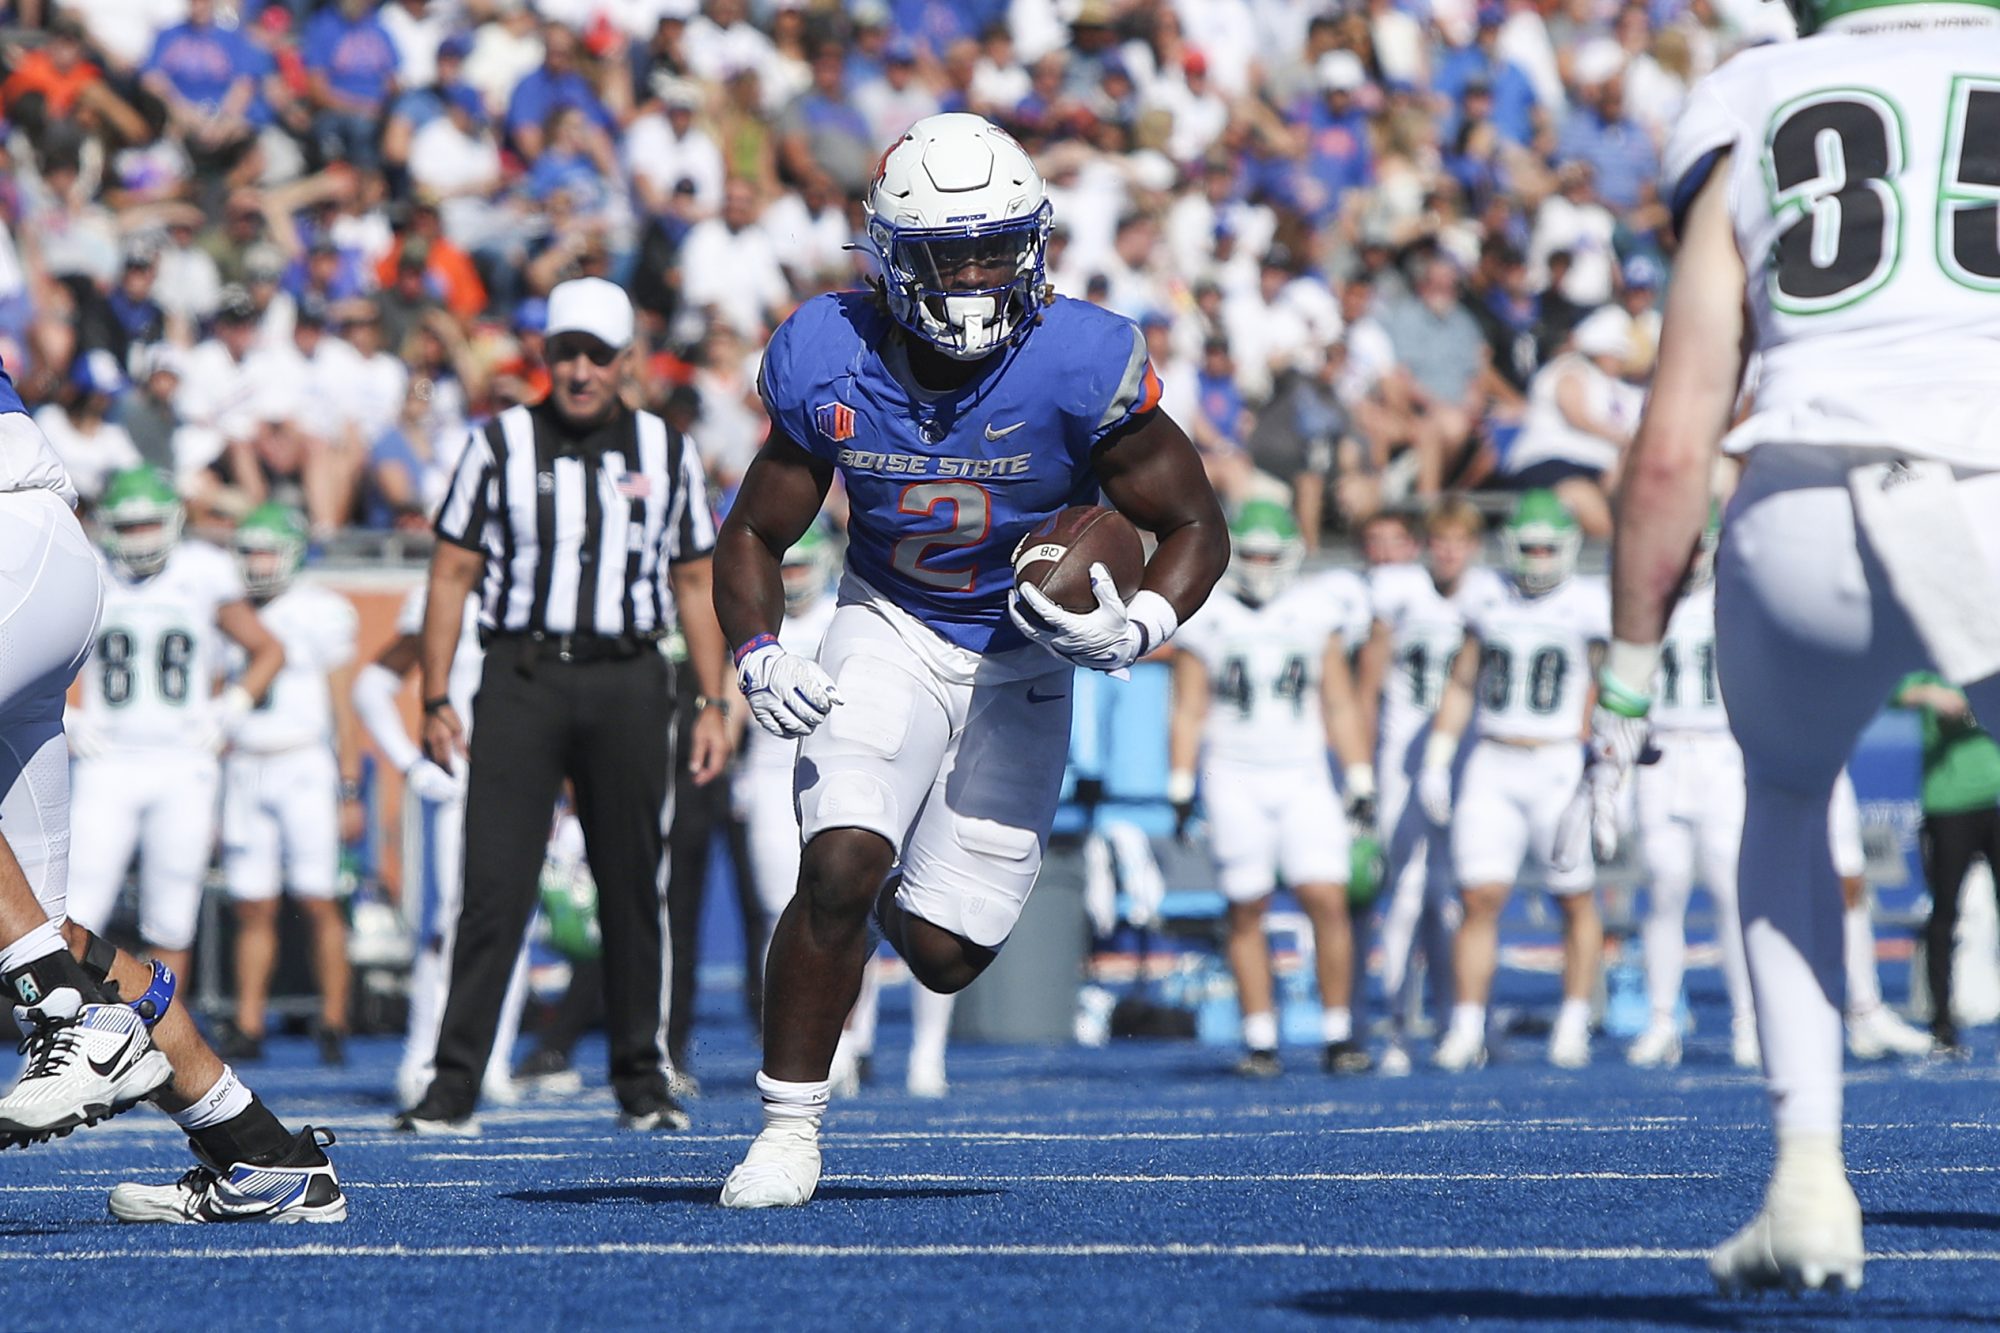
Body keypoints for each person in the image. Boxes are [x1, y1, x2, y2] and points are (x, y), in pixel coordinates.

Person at [712, 112, 1227, 1208]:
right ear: (892, 260)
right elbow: (754, 529)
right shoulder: (828, 350)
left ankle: (874, 886)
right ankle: (787, 1130)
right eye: (953, 253)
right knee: (838, 862)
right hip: (890, 622)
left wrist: (1135, 625)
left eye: (998, 247)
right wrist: (755, 649)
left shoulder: (1080, 358)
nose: (979, 275)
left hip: (1022, 652)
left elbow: (1195, 524)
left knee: (946, 952)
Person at [1588, 0, 2000, 1291]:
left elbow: (1673, 441)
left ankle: (1808, 1176)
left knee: (1785, 797)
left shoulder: (1756, 95)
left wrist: (1625, 684)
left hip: (1807, 492)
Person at [0, 371, 343, 1225]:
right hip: (43, 562)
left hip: (13, 536)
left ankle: (70, 1019)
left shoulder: (202, 575)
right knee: (42, 920)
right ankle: (261, 1152)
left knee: (45, 954)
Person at [398, 276, 732, 1136]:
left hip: (629, 678)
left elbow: (695, 582)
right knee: (494, 885)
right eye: (565, 354)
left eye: (596, 355)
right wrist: (435, 692)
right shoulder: (498, 443)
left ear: (627, 362)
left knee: (630, 884)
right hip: (523, 676)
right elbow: (451, 574)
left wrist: (711, 697)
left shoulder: (666, 449)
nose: (580, 371)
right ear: (545, 358)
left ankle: (639, 1078)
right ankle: (454, 1082)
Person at [1168, 500, 1375, 1077]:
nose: (1259, 565)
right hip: (1233, 774)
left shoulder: (1314, 612)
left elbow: (1338, 701)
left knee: (1327, 900)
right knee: (1246, 906)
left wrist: (1359, 776)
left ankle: (1338, 1034)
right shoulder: (1209, 614)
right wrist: (1181, 783)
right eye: (1251, 553)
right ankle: (1260, 1039)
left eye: (1269, 555)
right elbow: (1187, 709)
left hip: (1303, 772)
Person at [65, 468, 285, 991]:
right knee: (75, 912)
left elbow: (268, 650)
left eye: (148, 524)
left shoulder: (203, 572)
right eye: (129, 525)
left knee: (171, 918)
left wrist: (228, 709)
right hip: (107, 760)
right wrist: (66, 717)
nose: (139, 537)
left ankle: (165, 1056)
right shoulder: (89, 569)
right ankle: (68, 1043)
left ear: (174, 521)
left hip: (183, 762)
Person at [1418, 489, 1607, 1070]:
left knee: (1572, 896)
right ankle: (1467, 1026)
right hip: (1494, 759)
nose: (1538, 558)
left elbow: (1608, 690)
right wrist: (1438, 756)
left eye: (1548, 546)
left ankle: (1574, 1019)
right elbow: (1463, 680)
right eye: (1528, 546)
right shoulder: (1488, 598)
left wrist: (1601, 768)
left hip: (1556, 762)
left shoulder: (1589, 604)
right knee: (1479, 897)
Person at [351, 579, 529, 1112]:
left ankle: (494, 1059)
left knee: (513, 918)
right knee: (450, 921)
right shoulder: (439, 594)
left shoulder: (543, 582)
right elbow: (371, 685)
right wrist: (411, 763)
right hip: (460, 779)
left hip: (526, 775)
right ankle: (424, 1057)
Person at [216, 503, 361, 1066]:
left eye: (266, 550)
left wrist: (348, 787)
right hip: (245, 764)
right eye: (248, 550)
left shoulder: (321, 611)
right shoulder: (227, 611)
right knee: (251, 904)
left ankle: (334, 1019)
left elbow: (342, 706)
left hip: (303, 764)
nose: (257, 563)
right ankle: (250, 1023)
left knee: (320, 898)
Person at [1356, 496, 1497, 1075]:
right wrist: (1361, 770)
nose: (1447, 553)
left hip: (1472, 757)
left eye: (1457, 542)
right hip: (1402, 757)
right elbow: (1368, 685)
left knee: (1455, 898)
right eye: (1439, 541)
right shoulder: (1399, 594)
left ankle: (1456, 1021)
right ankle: (1392, 1024)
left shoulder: (1492, 594)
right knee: (1406, 894)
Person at [1892, 671, 2000, 1055]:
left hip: (1995, 795)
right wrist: (1931, 694)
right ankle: (1943, 1022)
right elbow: (1895, 691)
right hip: (1948, 804)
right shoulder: (1930, 664)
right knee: (1944, 913)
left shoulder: (1986, 656)